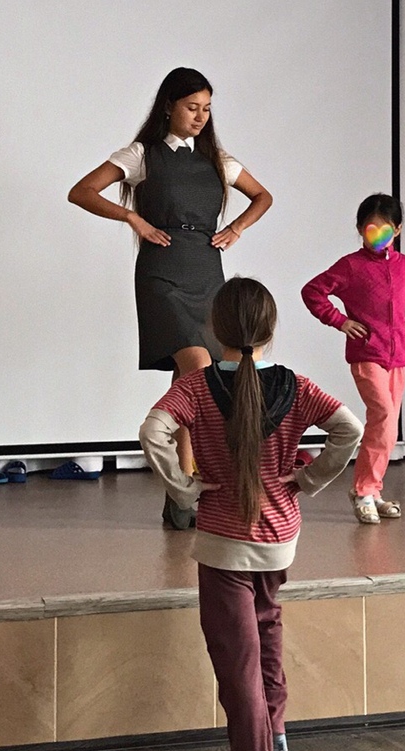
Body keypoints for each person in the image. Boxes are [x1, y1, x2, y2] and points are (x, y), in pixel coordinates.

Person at [138, 277, 362, 751]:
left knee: (236, 663)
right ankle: (275, 732)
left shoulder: (197, 388)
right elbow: (349, 429)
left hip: (224, 543)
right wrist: (305, 480)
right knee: (267, 635)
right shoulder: (295, 385)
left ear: (214, 328)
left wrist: (186, 489)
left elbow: (152, 432)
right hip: (279, 537)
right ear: (270, 329)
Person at [68, 67, 272, 529]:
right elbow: (81, 192)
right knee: (198, 368)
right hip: (161, 271)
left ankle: (180, 493)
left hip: (206, 271)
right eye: (191, 107)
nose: (200, 117)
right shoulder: (142, 154)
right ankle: (184, 475)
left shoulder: (218, 159)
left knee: (193, 376)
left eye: (207, 109)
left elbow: (262, 196)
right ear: (168, 106)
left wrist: (236, 228)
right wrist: (132, 218)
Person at [301, 194, 405, 525]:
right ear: (360, 229)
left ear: (397, 229)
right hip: (367, 354)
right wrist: (340, 321)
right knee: (383, 415)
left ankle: (372, 490)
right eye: (370, 230)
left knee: (387, 427)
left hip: (398, 357)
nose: (377, 237)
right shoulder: (350, 266)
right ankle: (363, 491)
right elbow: (313, 291)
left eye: (385, 230)